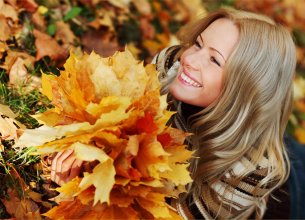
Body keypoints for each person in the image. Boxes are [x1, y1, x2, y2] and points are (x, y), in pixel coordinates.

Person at [51, 8, 299, 219]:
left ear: (244, 87)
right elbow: (121, 122)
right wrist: (90, 149)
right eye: (199, 44)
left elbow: (169, 214)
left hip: (286, 195)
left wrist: (96, 188)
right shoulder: (172, 66)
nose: (191, 59)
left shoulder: (250, 172)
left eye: (214, 60)